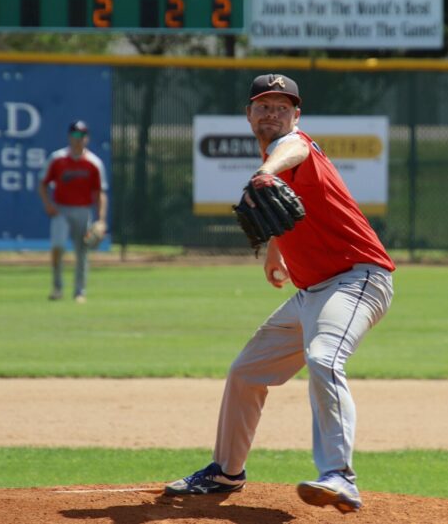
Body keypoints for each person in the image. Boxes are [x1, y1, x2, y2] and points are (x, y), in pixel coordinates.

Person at [164, 74, 395, 513]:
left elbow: (296, 149)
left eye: (282, 106)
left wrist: (266, 171)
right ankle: (226, 472)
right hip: (313, 292)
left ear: (296, 115)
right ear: (249, 114)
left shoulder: (292, 146)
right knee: (246, 371)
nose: (273, 112)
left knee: (325, 357)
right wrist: (276, 249)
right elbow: (294, 208)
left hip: (358, 278)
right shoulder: (274, 154)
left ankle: (340, 476)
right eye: (263, 105)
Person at [38, 120, 108, 304]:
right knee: (58, 247)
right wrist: (47, 203)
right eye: (75, 135)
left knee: (82, 251)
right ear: (69, 137)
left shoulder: (94, 163)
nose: (78, 139)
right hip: (61, 209)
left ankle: (79, 292)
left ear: (87, 138)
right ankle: (57, 287)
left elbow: (99, 193)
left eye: (82, 136)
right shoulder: (58, 159)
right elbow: (43, 183)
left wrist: (101, 219)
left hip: (83, 210)